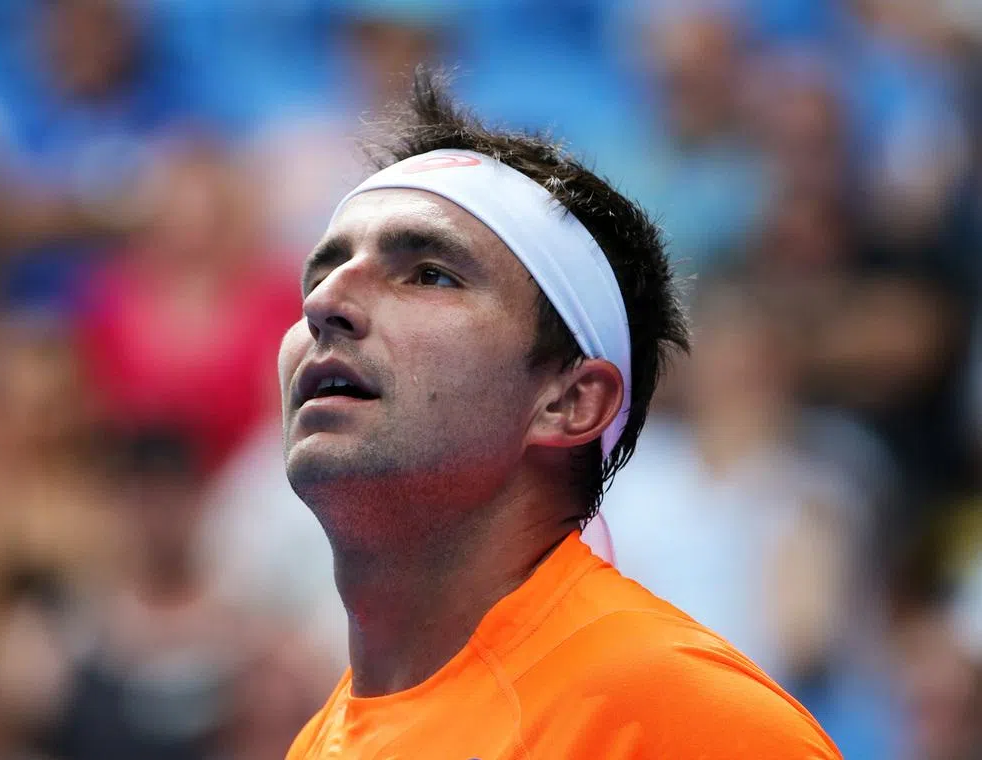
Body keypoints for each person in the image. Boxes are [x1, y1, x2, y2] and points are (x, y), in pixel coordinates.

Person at [279, 70, 842, 759]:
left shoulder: (685, 721)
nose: (323, 303)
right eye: (321, 272)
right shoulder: (318, 743)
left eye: (429, 273)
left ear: (570, 401)